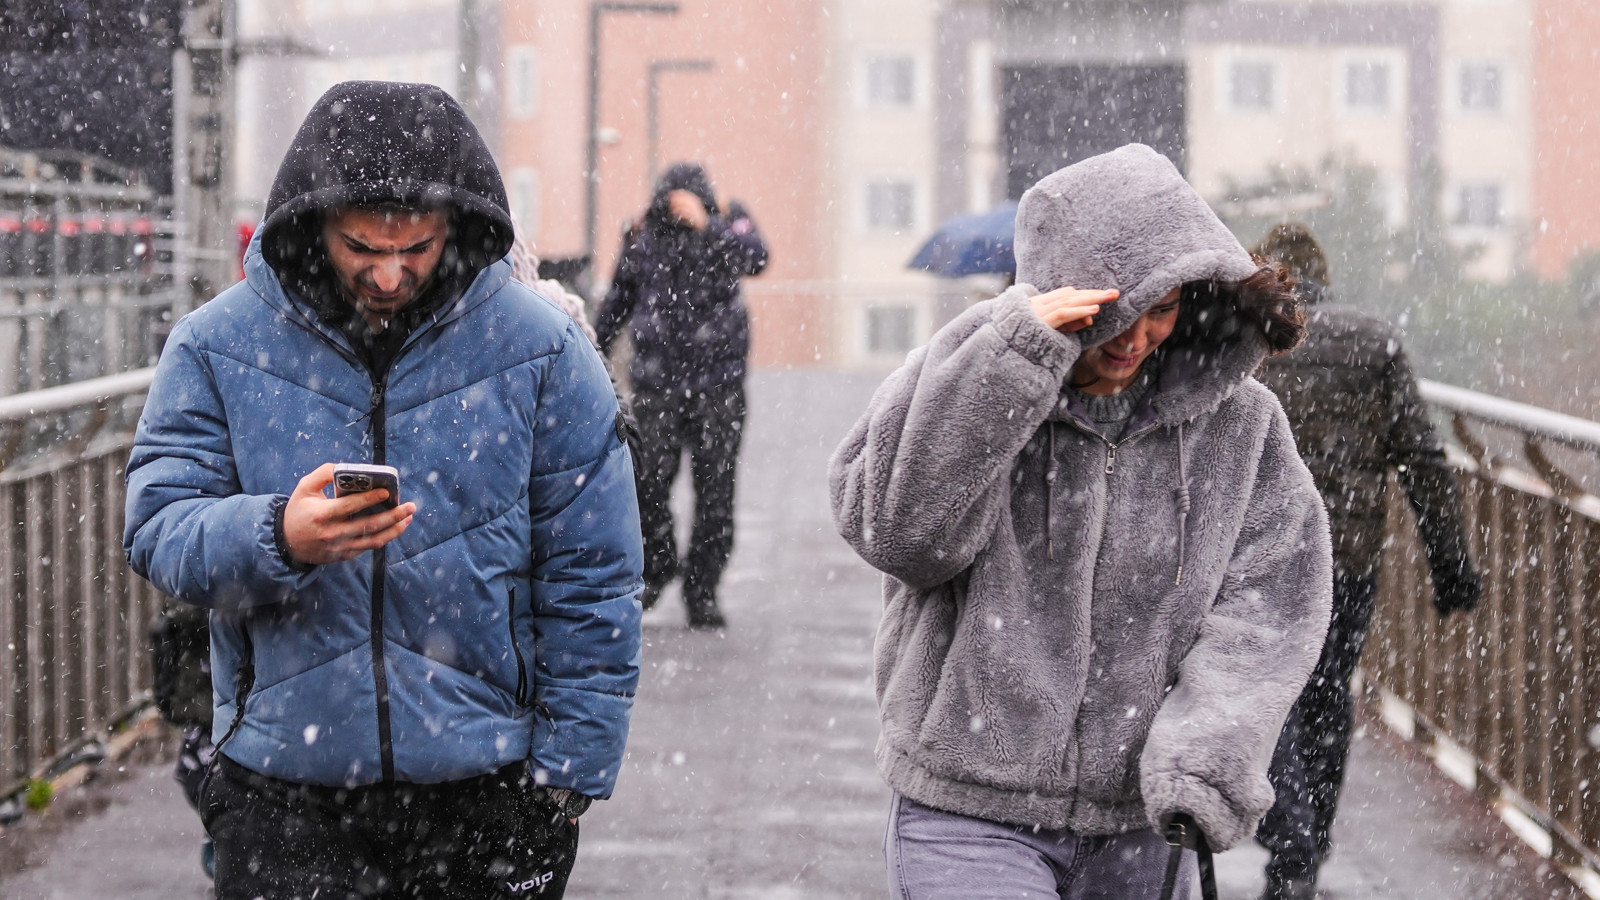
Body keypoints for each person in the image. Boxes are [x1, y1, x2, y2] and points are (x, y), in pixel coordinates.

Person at [123, 81, 643, 900]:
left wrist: (570, 772)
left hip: (491, 792)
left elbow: (593, 569)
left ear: (460, 232)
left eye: (420, 247)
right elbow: (157, 525)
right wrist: (276, 537)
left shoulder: (544, 353)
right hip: (282, 791)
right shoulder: (217, 345)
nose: (392, 275)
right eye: (363, 247)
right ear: (311, 228)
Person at [830, 143, 1334, 899]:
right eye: (1111, 316)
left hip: (1139, 819)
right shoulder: (966, 372)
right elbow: (903, 538)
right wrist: (1009, 365)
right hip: (968, 806)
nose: (1134, 341)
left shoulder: (1241, 425)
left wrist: (1201, 761)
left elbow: (1270, 605)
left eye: (1160, 309)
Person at [1251, 223, 1481, 900]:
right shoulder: (1372, 341)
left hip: (1259, 559)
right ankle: (1308, 849)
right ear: (1324, 276)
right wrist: (1451, 565)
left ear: (1269, 276)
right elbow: (1423, 460)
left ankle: (1286, 831)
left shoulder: (1246, 340)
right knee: (1327, 699)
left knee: (1267, 698)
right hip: (1344, 560)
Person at [594, 163, 768, 629]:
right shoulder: (643, 234)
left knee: (716, 494)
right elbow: (618, 299)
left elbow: (757, 257)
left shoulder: (729, 221)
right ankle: (659, 561)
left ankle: (702, 590)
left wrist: (708, 225)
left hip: (719, 386)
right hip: (657, 386)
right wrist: (590, 350)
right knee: (645, 485)